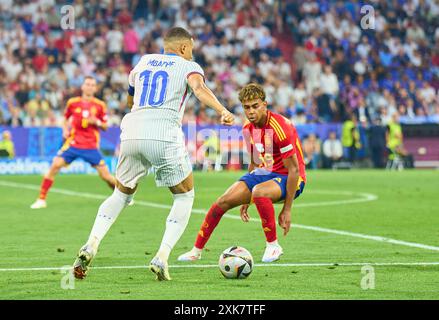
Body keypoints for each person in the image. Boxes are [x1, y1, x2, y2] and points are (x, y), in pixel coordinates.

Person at [72, 27, 234, 281]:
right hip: (163, 133)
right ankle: (162, 256)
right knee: (184, 197)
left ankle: (91, 243)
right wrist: (222, 110)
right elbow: (199, 88)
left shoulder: (143, 62)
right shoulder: (188, 66)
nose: (191, 52)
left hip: (132, 130)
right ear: (183, 47)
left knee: (121, 194)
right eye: (190, 47)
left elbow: (129, 99)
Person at [178, 83, 306, 263]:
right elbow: (254, 161)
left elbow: (294, 170)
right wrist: (247, 198)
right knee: (222, 202)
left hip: (291, 177)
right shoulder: (248, 129)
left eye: (255, 106)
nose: (251, 111)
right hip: (266, 173)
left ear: (265, 105)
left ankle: (273, 246)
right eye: (247, 107)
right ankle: (196, 251)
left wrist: (287, 209)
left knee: (260, 191)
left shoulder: (280, 127)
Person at [30, 77, 116, 209]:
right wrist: (65, 130)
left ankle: (124, 196)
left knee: (106, 176)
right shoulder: (72, 103)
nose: (90, 87)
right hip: (73, 143)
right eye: (87, 84)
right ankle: (41, 199)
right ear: (82, 86)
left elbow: (105, 126)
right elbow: (65, 119)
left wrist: (97, 122)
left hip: (91, 146)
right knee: (55, 165)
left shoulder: (100, 105)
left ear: (95, 88)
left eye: (92, 85)